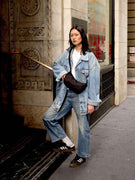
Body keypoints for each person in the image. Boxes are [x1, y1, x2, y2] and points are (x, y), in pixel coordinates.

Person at [43, 25, 101, 167]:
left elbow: (94, 81)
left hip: (81, 97)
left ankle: (81, 155)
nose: (73, 37)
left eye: (76, 34)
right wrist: (63, 74)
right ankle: (67, 143)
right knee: (48, 117)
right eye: (71, 35)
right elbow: (56, 64)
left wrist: (91, 103)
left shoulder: (90, 57)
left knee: (83, 128)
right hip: (65, 94)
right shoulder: (67, 53)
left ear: (82, 36)